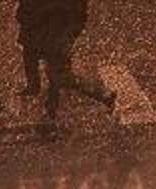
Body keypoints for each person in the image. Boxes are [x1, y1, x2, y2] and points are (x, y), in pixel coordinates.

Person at [20, 0, 115, 139]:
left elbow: (77, 13)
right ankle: (49, 115)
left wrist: (67, 36)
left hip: (55, 32)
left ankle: (51, 116)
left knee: (58, 75)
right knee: (55, 74)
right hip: (43, 29)